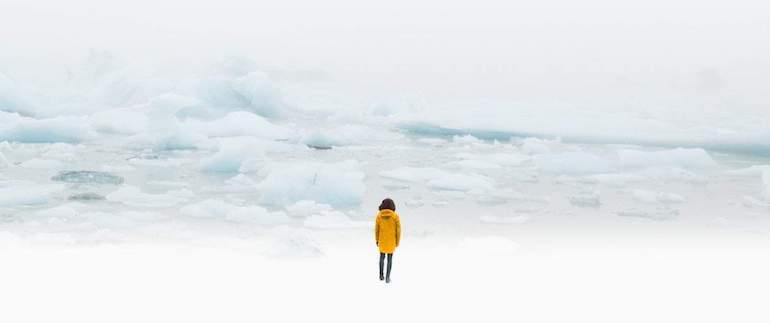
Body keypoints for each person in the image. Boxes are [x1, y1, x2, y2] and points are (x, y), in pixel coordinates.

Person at [375, 198, 401, 283]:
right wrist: (397, 242)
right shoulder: (395, 216)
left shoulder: (379, 216)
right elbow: (398, 231)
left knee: (382, 258)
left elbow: (376, 229)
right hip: (391, 242)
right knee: (390, 259)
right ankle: (387, 277)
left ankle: (381, 275)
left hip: (382, 241)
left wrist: (377, 240)